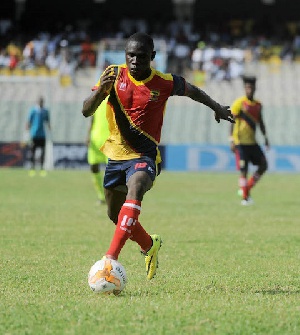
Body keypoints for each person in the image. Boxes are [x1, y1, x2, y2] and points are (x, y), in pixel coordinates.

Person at [81, 32, 234, 280]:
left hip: (145, 156)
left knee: (137, 186)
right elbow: (86, 111)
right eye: (130, 55)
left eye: (141, 57)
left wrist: (217, 107)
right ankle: (149, 245)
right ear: (125, 55)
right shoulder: (113, 74)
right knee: (114, 214)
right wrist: (101, 92)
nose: (135, 61)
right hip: (116, 155)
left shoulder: (164, 82)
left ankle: (110, 259)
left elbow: (193, 91)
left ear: (152, 57)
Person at [229, 75, 269, 205]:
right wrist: (231, 139)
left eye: (251, 87)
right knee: (244, 170)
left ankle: (247, 188)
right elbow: (231, 121)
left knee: (263, 165)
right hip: (240, 142)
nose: (249, 90)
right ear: (244, 89)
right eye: (247, 87)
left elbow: (261, 122)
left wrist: (266, 138)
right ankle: (245, 198)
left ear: (254, 88)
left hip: (252, 142)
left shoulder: (258, 105)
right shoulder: (239, 103)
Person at [87, 97, 109, 204]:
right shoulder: (97, 99)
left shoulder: (116, 98)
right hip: (95, 138)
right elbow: (91, 118)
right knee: (93, 167)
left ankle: (111, 195)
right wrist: (88, 135)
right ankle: (101, 196)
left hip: (110, 139)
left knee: (111, 170)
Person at [26, 96, 51, 176]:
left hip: (42, 135)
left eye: (42, 101)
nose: (41, 103)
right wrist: (27, 131)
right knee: (32, 152)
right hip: (34, 134)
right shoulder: (33, 110)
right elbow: (29, 121)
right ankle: (32, 169)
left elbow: (48, 121)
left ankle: (42, 169)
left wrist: (50, 128)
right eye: (40, 101)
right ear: (37, 102)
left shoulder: (45, 111)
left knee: (42, 152)